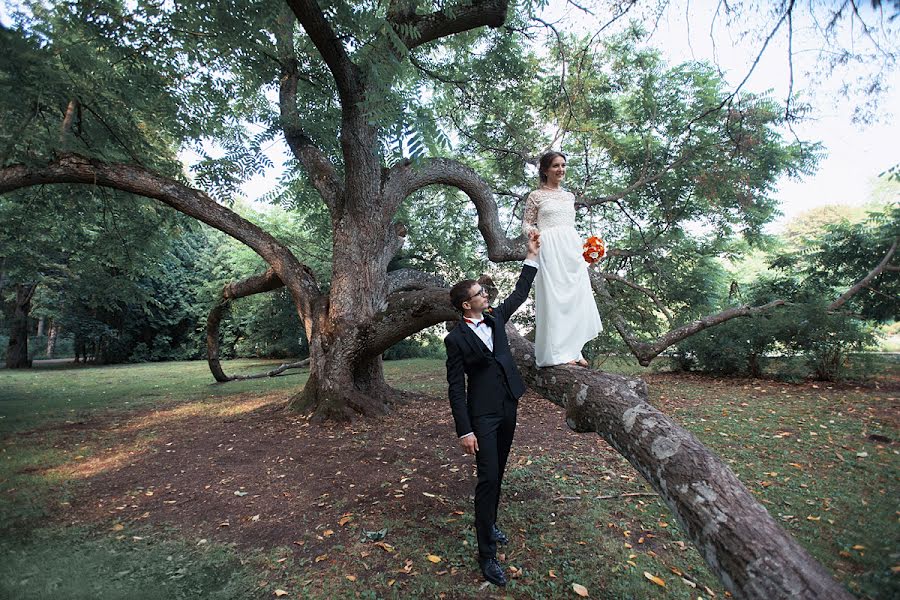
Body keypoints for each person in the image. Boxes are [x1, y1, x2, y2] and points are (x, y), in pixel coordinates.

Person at [444, 233, 540, 587]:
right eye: (479, 294)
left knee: (497, 472)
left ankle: (492, 524)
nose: (486, 295)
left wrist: (531, 258)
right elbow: (456, 387)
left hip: (508, 406)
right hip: (481, 416)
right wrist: (464, 430)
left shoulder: (497, 319)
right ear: (467, 305)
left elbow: (519, 293)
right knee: (486, 479)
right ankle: (486, 556)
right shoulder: (455, 339)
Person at [522, 151, 603, 367]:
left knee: (576, 296)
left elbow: (569, 224)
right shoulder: (536, 196)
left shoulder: (569, 196)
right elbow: (527, 223)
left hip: (571, 249)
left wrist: (588, 248)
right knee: (555, 298)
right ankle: (557, 352)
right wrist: (533, 234)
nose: (561, 170)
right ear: (545, 170)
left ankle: (575, 350)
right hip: (549, 247)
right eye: (556, 166)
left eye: (564, 165)